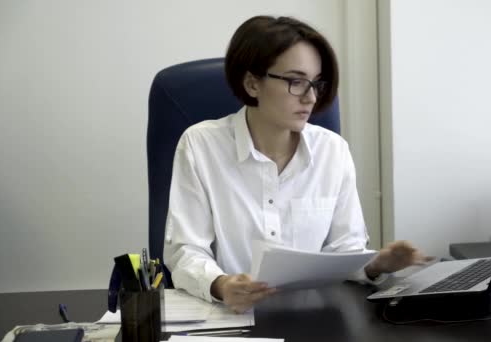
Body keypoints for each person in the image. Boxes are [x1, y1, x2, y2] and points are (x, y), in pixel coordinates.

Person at [163, 15, 430, 313]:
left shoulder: (333, 151)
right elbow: (185, 251)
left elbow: (345, 252)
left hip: (317, 318)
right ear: (253, 83)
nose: (311, 97)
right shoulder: (201, 145)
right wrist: (222, 285)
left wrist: (376, 264)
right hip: (231, 318)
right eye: (296, 81)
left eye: (316, 83)